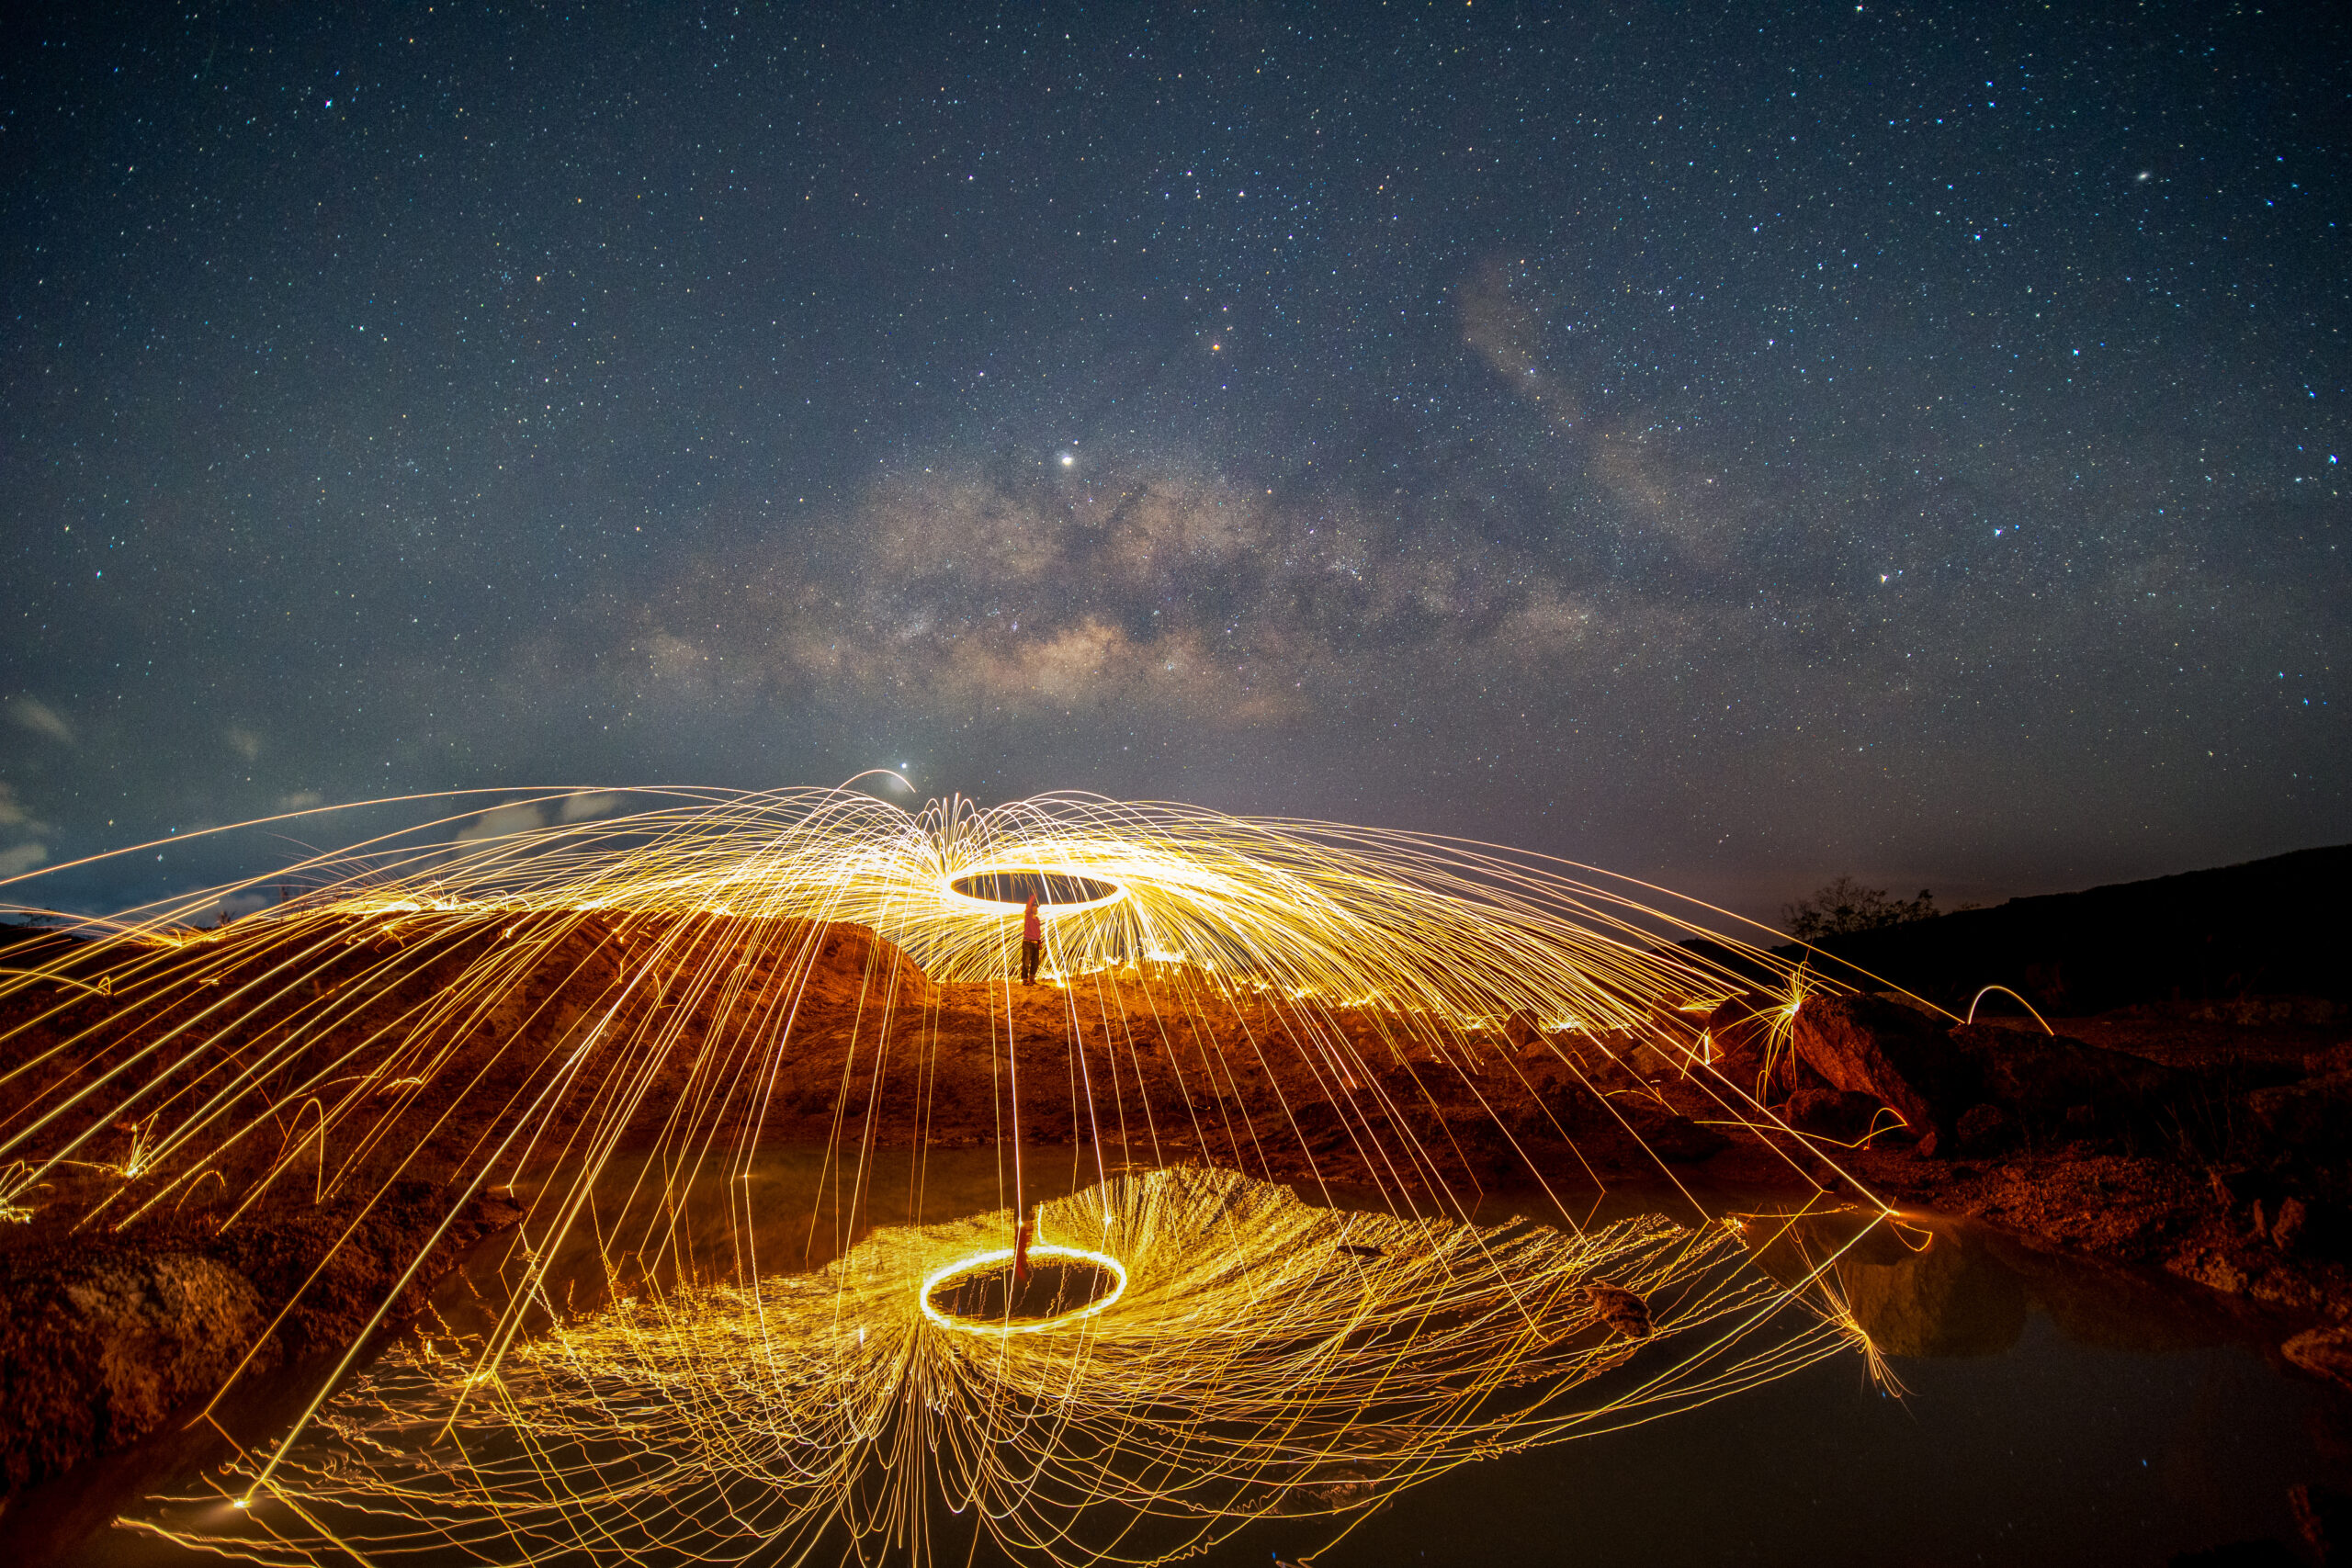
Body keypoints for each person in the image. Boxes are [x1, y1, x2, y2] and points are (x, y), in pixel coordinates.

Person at [1020, 887, 1043, 984]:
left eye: (1037, 907)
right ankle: (1025, 980)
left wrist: (1039, 942)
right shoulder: (1028, 916)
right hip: (1027, 942)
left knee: (1035, 963)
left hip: (1035, 943)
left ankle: (1032, 979)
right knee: (1026, 962)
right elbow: (1028, 905)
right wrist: (1034, 896)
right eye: (1034, 907)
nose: (1036, 908)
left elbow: (1038, 932)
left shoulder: (1037, 919)